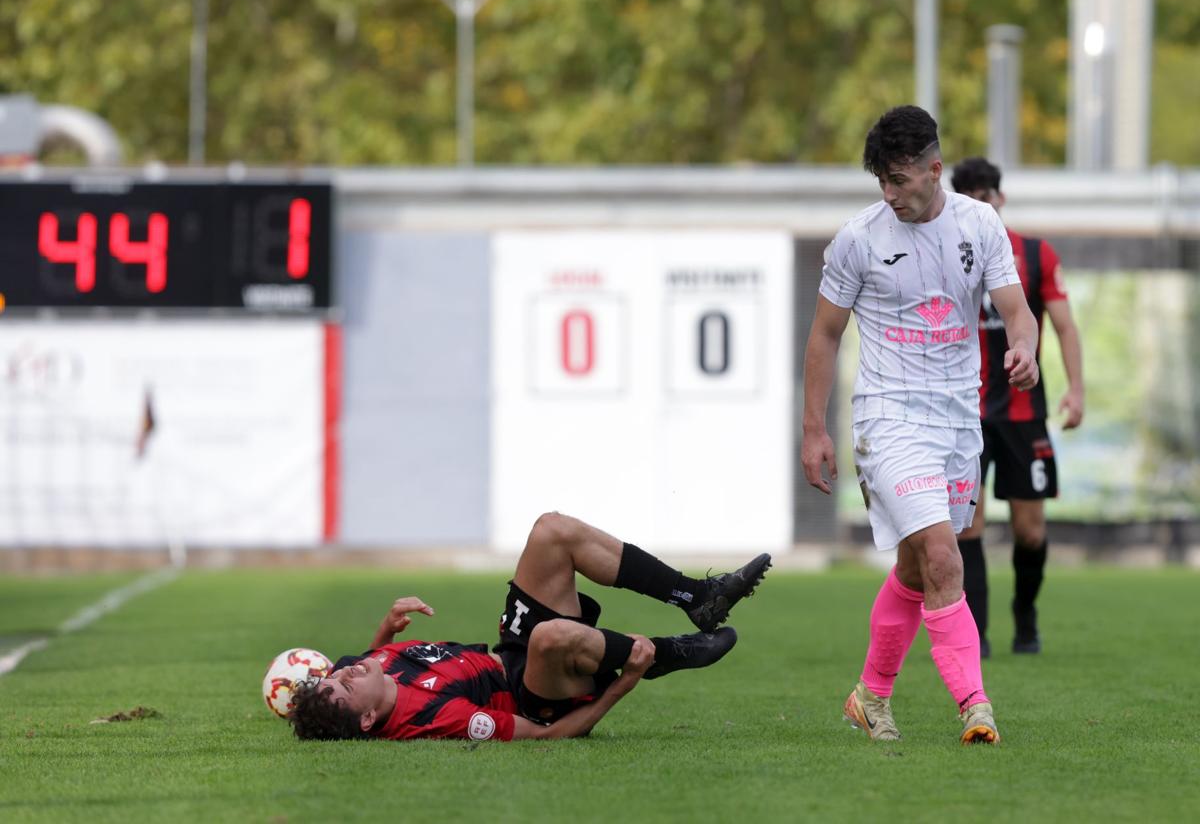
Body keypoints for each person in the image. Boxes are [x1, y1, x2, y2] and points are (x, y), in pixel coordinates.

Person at [801, 106, 1040, 745]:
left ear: (935, 171)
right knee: (943, 554)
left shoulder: (979, 223)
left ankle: (870, 697)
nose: (889, 194)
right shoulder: (859, 238)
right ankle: (975, 705)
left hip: (958, 420)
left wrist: (1026, 349)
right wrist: (813, 431)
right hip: (889, 417)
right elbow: (825, 336)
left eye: (900, 180)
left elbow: (1019, 313)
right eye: (881, 180)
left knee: (914, 568)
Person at [287, 511, 771, 741]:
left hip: (507, 651)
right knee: (549, 637)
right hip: (534, 697)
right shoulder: (434, 719)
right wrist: (621, 689)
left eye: (336, 674)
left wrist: (386, 630)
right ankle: (668, 656)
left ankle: (697, 597)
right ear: (369, 720)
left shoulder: (364, 665)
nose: (345, 673)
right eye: (344, 688)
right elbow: (545, 737)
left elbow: (360, 668)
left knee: (551, 532)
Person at [950, 157, 1085, 657]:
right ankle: (976, 635)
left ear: (1000, 200)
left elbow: (1065, 325)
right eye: (971, 198)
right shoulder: (946, 253)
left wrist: (1076, 390)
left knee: (1030, 531)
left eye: (987, 196)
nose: (981, 206)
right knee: (969, 524)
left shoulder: (1034, 254)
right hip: (965, 412)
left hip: (1025, 414)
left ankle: (1024, 616)